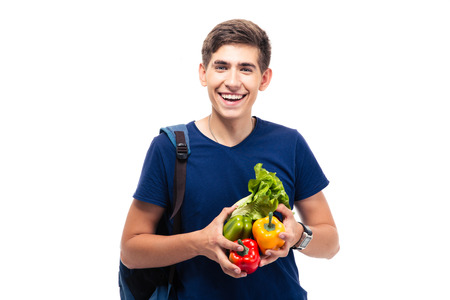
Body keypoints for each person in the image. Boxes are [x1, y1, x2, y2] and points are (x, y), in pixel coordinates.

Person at [120, 19, 339, 299]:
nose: (232, 82)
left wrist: (298, 236)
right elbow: (131, 251)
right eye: (221, 67)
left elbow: (331, 243)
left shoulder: (289, 144)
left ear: (264, 78)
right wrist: (200, 243)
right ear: (203, 73)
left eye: (246, 69)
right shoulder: (170, 148)